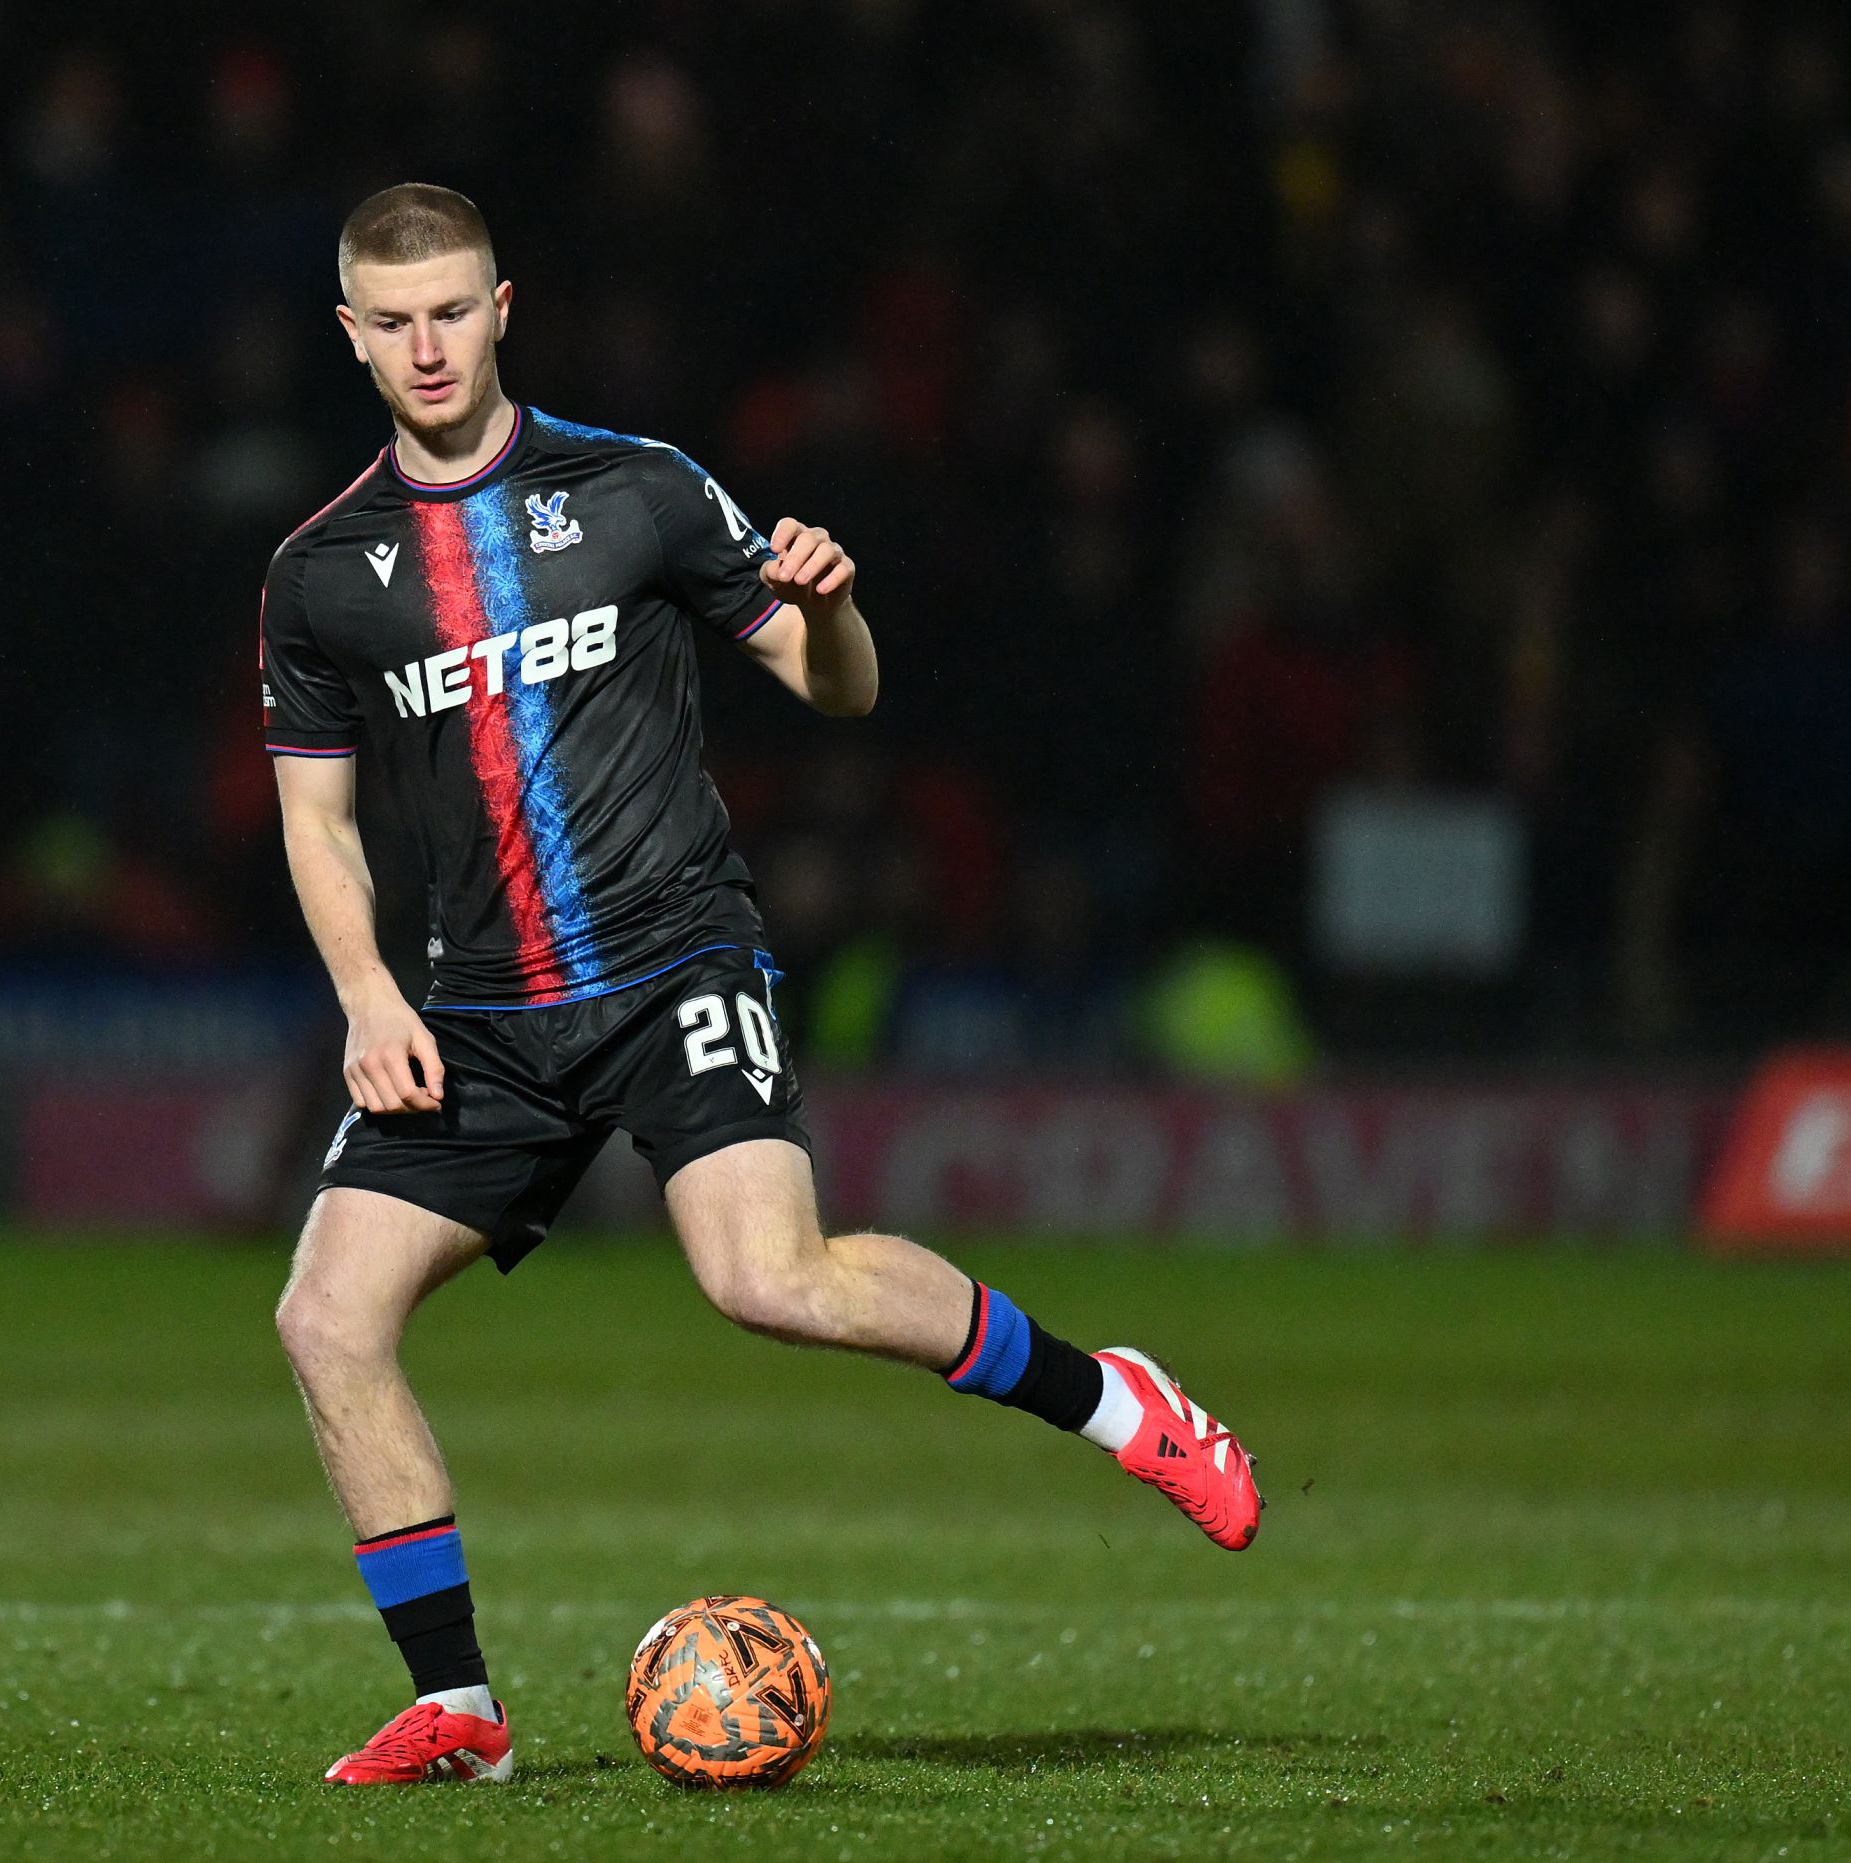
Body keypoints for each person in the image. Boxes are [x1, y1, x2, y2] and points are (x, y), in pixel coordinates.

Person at [262, 184, 1263, 1788]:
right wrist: (370, 1001)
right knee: (324, 1316)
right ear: (351, 335)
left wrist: (837, 607)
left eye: (452, 310)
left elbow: (834, 688)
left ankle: (1111, 1400)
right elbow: (315, 820)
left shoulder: (640, 490)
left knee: (768, 1282)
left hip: (670, 961)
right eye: (393, 321)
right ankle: (458, 1710)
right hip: (479, 1016)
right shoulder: (322, 574)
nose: (427, 345)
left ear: (502, 306)